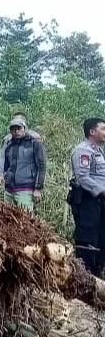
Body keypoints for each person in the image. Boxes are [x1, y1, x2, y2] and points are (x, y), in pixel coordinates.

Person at [68, 117, 105, 277]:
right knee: (87, 239)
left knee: (100, 238)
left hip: (99, 202)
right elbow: (83, 178)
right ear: (92, 132)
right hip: (87, 201)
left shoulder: (98, 150)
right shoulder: (83, 150)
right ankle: (84, 276)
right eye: (102, 129)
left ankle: (97, 273)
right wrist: (102, 191)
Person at [0, 116, 47, 211]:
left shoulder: (34, 143)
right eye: (13, 129)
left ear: (25, 129)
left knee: (25, 221)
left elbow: (41, 166)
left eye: (19, 128)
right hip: (9, 189)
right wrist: (3, 176)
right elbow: (6, 164)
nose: (16, 131)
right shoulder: (9, 144)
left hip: (26, 189)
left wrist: (38, 188)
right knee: (7, 221)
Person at [0, 112, 42, 181]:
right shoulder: (7, 140)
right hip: (12, 178)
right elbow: (2, 157)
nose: (16, 129)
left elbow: (41, 162)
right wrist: (0, 174)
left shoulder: (34, 138)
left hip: (29, 179)